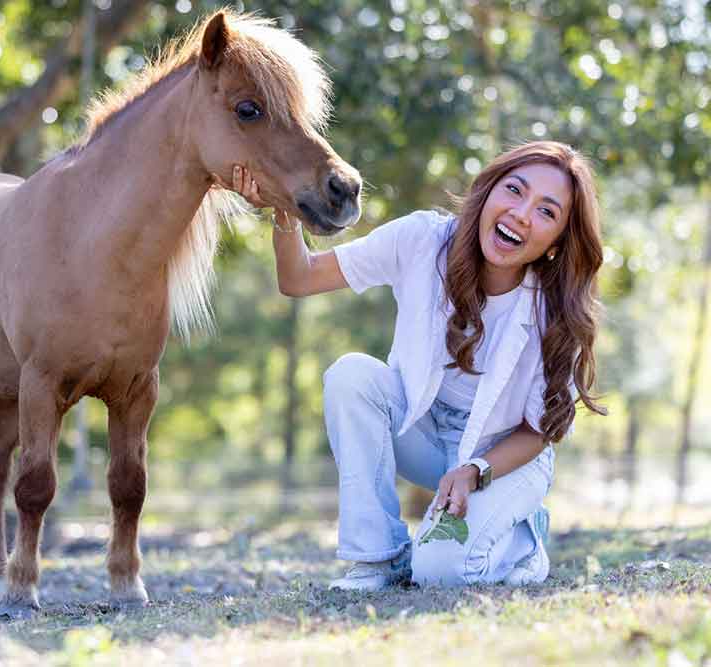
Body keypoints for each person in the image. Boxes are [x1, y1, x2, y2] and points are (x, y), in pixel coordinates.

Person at [221, 141, 606, 588]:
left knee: (441, 573)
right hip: (421, 431)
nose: (521, 214)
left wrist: (475, 472)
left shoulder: (558, 309)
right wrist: (284, 207)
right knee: (352, 376)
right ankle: (377, 559)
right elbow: (299, 277)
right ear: (487, 191)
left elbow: (540, 430)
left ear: (558, 241)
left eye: (546, 212)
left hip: (504, 457)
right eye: (515, 190)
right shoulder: (423, 239)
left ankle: (522, 541)